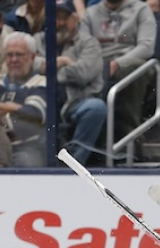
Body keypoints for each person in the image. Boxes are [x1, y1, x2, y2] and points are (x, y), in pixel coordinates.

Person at [34, 0, 106, 166]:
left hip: (75, 101)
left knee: (95, 108)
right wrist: (64, 61)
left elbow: (84, 73)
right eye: (54, 18)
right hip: (41, 99)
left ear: (75, 19)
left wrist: (49, 69)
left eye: (64, 18)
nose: (59, 23)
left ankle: (72, 164)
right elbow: (30, 65)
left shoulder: (89, 43)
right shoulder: (38, 40)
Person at [80, 0, 156, 144]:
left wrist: (118, 63)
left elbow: (146, 47)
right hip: (97, 62)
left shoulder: (141, 9)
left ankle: (130, 133)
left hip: (128, 62)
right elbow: (83, 47)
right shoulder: (90, 13)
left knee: (133, 69)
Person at [0, 31, 45, 166]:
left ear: (32, 57)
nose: (13, 59)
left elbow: (34, 114)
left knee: (25, 164)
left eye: (19, 54)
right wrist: (11, 108)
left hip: (25, 146)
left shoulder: (41, 82)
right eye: (9, 55)